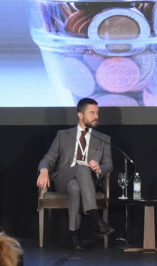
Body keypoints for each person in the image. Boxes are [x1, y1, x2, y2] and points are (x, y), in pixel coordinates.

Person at [37, 96, 113, 248]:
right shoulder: (63, 135)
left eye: (97, 112)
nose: (96, 116)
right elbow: (48, 158)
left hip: (88, 181)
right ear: (80, 115)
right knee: (81, 170)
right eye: (92, 113)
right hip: (63, 178)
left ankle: (75, 236)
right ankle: (95, 219)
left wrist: (100, 168)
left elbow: (109, 164)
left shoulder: (103, 139)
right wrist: (44, 170)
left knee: (75, 187)